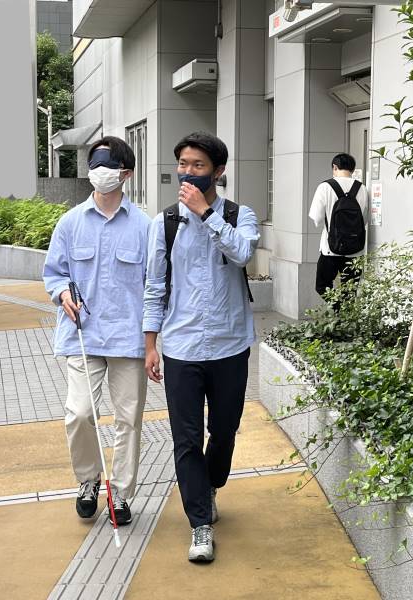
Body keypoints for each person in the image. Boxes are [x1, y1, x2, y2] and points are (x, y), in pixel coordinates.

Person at [143, 131, 260, 563]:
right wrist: (150, 344)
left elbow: (242, 253)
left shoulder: (239, 215)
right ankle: (199, 524)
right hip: (182, 346)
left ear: (218, 171)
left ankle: (211, 485)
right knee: (186, 439)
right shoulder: (165, 222)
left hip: (230, 344)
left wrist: (206, 213)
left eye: (198, 165)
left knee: (224, 430)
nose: (188, 172)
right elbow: (154, 286)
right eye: (183, 164)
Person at [43, 136, 151, 527]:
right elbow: (54, 273)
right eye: (95, 166)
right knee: (79, 413)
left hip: (128, 339)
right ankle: (88, 480)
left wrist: (154, 342)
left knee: (129, 420)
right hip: (82, 335)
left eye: (108, 166)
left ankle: (120, 493)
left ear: (126, 174)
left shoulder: (144, 226)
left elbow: (156, 286)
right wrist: (61, 294)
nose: (100, 173)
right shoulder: (70, 223)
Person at [308, 152, 369, 310]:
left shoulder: (325, 187)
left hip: (330, 249)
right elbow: (364, 220)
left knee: (322, 286)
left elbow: (316, 218)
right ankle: (345, 317)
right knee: (350, 291)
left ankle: (338, 311)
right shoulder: (362, 188)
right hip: (355, 250)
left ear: (335, 167)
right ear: (352, 169)